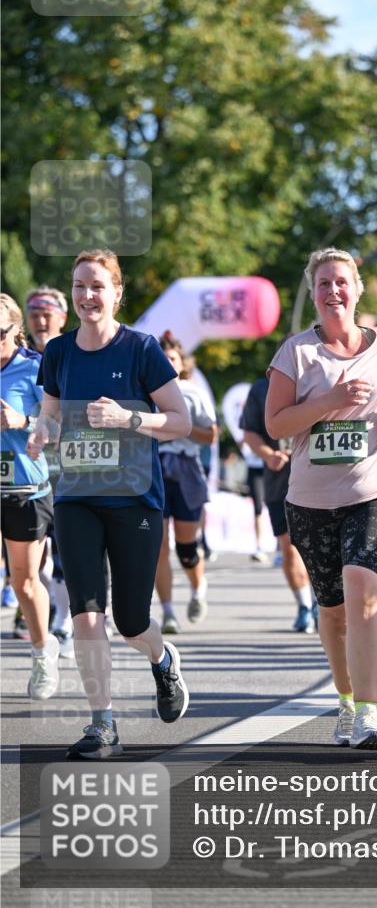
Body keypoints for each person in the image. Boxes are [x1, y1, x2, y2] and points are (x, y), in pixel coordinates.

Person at [27, 249, 191, 759]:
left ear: (118, 292)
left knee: (131, 620)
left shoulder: (140, 349)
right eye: (79, 285)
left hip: (134, 501)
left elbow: (181, 421)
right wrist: (41, 432)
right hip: (76, 498)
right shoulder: (58, 352)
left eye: (97, 286)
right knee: (85, 613)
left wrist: (128, 419)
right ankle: (103, 724)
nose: (86, 295)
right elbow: (51, 416)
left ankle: (162, 661)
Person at [266, 247, 377, 749]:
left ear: (357, 289)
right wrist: (328, 402)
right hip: (311, 500)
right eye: (323, 284)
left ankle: (369, 714)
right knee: (333, 610)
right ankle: (345, 698)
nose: (333, 291)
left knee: (363, 590)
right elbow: (275, 425)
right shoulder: (296, 352)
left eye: (342, 282)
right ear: (314, 294)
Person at [0, 293, 59, 699]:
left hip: (23, 487)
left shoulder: (34, 368)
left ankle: (42, 651)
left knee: (24, 584)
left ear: (15, 330)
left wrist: (24, 421)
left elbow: (62, 427)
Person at [240, 353, 317, 633]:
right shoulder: (261, 389)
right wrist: (268, 454)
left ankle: (324, 600)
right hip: (278, 481)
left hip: (317, 479)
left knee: (318, 549)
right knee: (289, 549)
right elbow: (249, 433)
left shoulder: (319, 384)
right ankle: (305, 605)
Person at [156, 333, 218, 634]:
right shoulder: (146, 390)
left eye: (171, 359)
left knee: (185, 548)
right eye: (161, 359)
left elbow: (212, 435)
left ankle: (197, 589)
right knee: (157, 545)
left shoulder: (192, 392)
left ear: (182, 364)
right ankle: (167, 611)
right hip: (154, 468)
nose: (166, 364)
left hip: (185, 469)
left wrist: (182, 427)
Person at [24, 285, 73, 652]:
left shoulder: (73, 356)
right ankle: (45, 612)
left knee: (65, 550)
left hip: (70, 469)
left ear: (62, 317)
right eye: (35, 315)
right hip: (27, 473)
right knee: (31, 558)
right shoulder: (18, 360)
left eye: (47, 314)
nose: (41, 321)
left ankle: (64, 621)